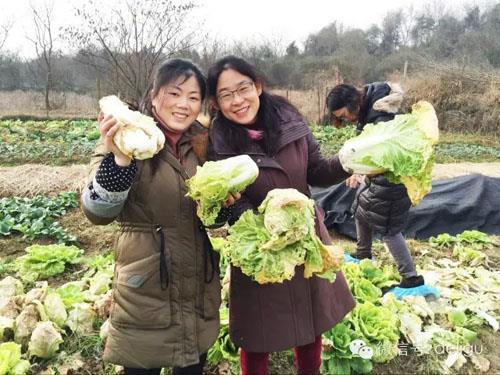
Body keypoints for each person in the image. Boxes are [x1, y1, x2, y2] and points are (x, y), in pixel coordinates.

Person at [207, 55, 356, 375]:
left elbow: (316, 170)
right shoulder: (218, 138)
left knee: (309, 320)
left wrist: (347, 161)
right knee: (256, 330)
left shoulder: (288, 117)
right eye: (225, 95)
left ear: (257, 86)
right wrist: (263, 226)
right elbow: (231, 200)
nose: (237, 101)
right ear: (216, 103)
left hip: (304, 233)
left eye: (242, 88)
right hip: (258, 244)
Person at [81, 59, 223, 375]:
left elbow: (212, 219)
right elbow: (97, 212)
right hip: (146, 287)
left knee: (191, 366)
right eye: (175, 93)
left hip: (196, 283)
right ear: (155, 95)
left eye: (193, 97)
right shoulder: (126, 137)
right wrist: (119, 161)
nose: (184, 105)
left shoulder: (202, 143)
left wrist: (221, 204)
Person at [326, 82, 439, 299]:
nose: (345, 120)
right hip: (378, 175)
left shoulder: (382, 115)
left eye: (344, 115)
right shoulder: (369, 106)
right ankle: (363, 254)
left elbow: (387, 154)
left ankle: (412, 280)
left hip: (394, 176)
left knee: (387, 226)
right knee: (360, 208)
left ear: (353, 103)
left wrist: (360, 170)